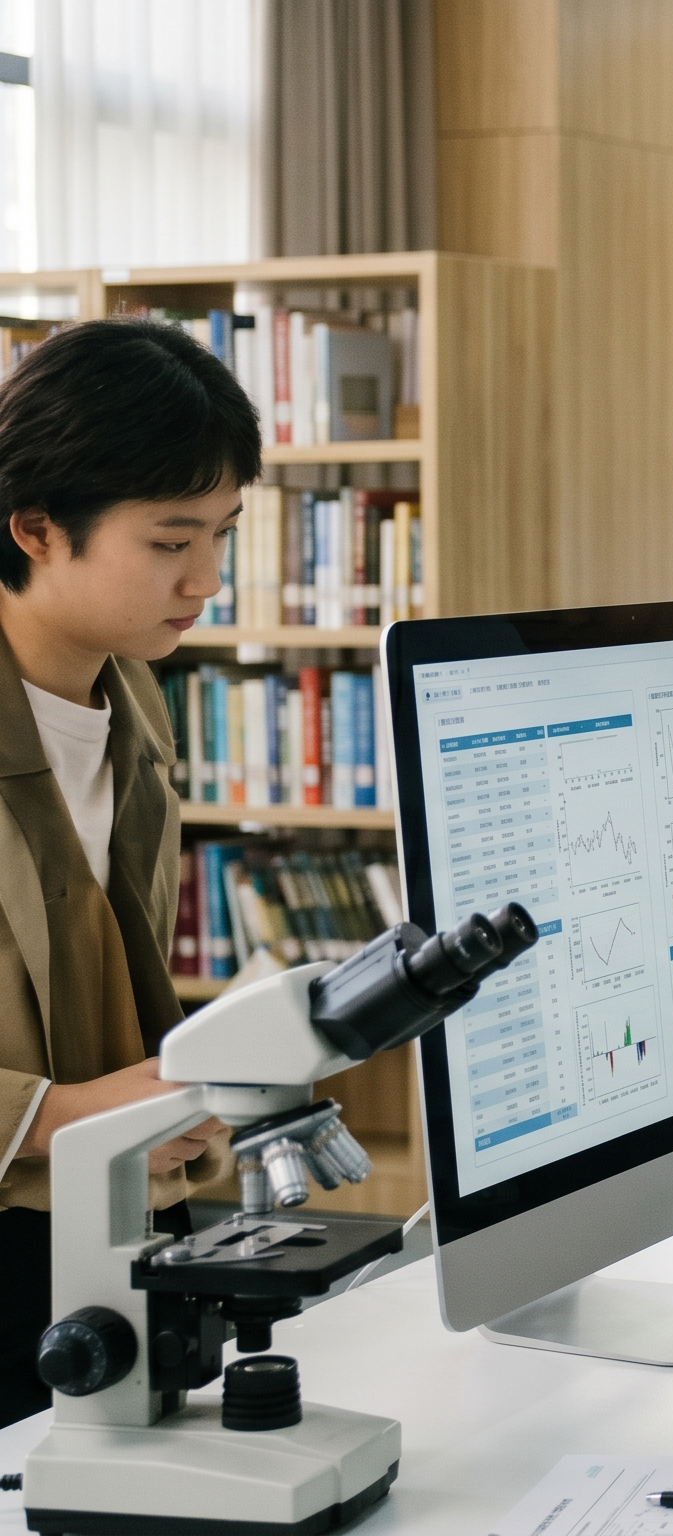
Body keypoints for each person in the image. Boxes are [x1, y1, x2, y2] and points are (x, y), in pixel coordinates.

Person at [0, 319, 257, 1425]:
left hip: (102, 1240)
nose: (206, 578)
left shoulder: (136, 698)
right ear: (36, 528)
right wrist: (52, 1115)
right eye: (169, 541)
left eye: (224, 534)